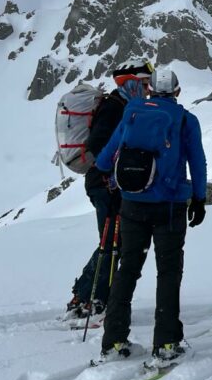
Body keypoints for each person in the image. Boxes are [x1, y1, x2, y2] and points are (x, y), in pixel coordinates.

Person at [93, 67, 207, 363]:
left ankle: (114, 339)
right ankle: (167, 342)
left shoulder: (132, 111)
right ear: (177, 91)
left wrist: (115, 181)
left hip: (132, 203)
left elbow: (106, 159)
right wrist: (199, 199)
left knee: (127, 269)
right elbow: (198, 161)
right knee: (168, 272)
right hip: (169, 207)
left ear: (150, 90)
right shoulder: (185, 120)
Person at [65, 61, 153, 319]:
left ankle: (92, 296)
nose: (147, 90)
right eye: (145, 83)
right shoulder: (114, 107)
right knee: (111, 241)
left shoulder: (122, 105)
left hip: (109, 184)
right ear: (130, 82)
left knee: (115, 241)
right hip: (104, 184)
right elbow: (97, 143)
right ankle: (88, 298)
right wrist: (111, 174)